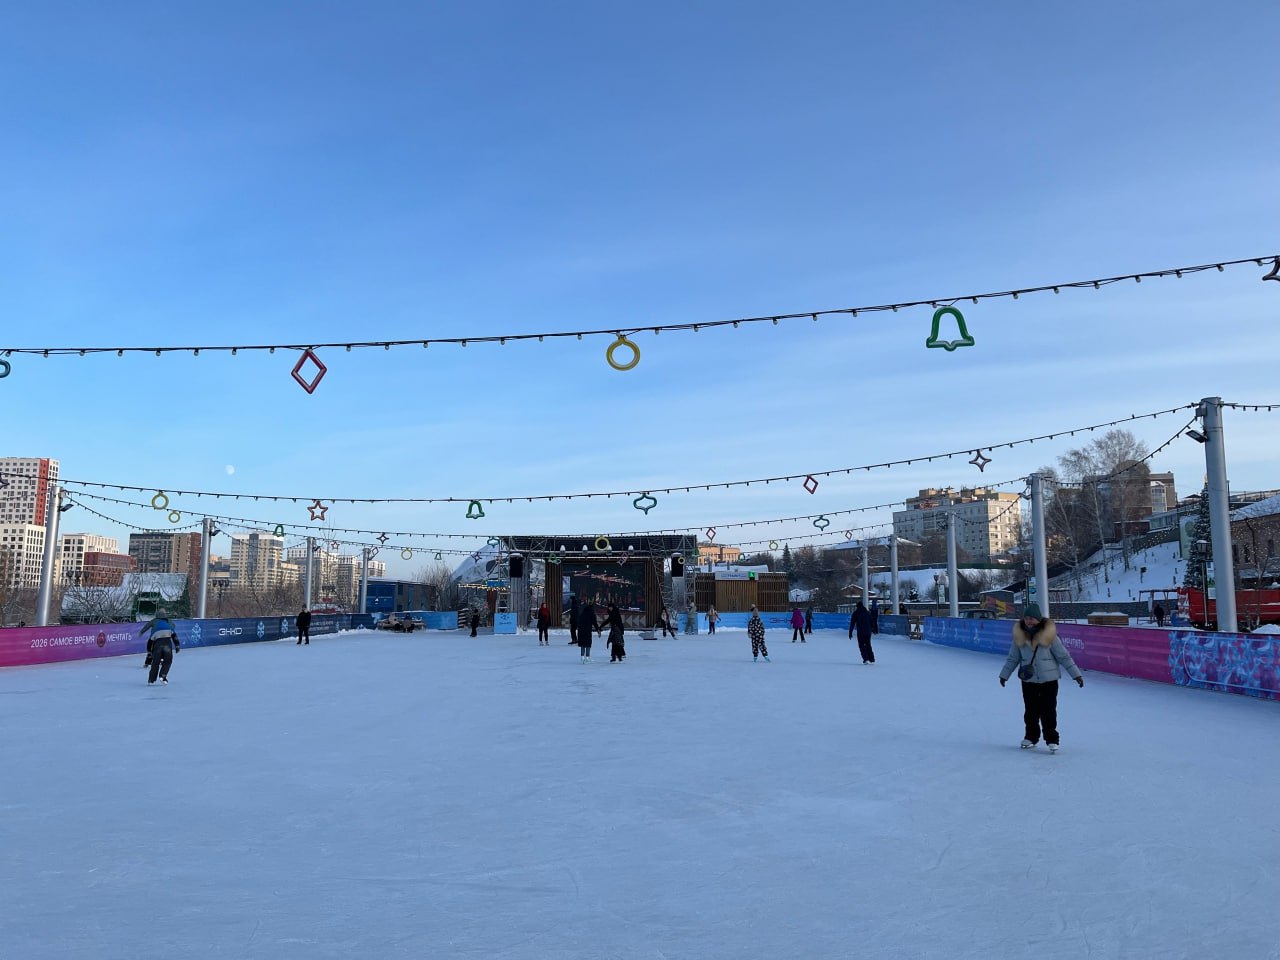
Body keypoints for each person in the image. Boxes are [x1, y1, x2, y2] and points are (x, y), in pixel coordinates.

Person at [998, 603, 1084, 753]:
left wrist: (1076, 674)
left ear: (1038, 619)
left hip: (1049, 680)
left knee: (1048, 710)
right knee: (1030, 711)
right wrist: (1004, 675)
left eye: (1032, 618)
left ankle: (1052, 739)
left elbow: (1063, 656)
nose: (1029, 621)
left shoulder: (1050, 636)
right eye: (1026, 618)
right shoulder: (1019, 637)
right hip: (1028, 680)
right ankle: (1031, 737)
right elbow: (1013, 658)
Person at [140, 608, 179, 685]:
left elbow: (150, 641)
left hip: (157, 643)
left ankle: (151, 680)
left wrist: (149, 651)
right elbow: (174, 635)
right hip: (167, 643)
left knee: (155, 662)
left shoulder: (155, 623)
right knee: (168, 660)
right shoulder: (168, 622)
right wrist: (177, 646)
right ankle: (163, 676)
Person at [577, 599, 600, 663]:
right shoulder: (592, 614)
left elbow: (578, 622)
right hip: (587, 631)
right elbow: (595, 623)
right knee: (587, 644)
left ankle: (582, 657)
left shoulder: (582, 614)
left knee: (582, 644)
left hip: (581, 631)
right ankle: (587, 657)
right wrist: (598, 629)